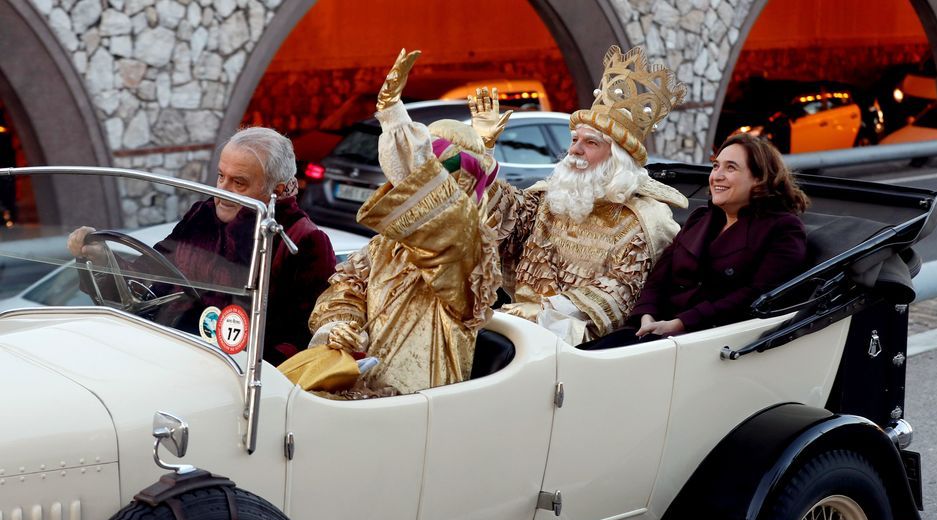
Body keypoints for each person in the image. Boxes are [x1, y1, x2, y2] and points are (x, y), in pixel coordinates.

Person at [306, 49, 502, 396]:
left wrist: (396, 121)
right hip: (357, 388)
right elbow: (347, 286)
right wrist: (342, 327)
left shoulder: (471, 250)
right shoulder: (386, 244)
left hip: (418, 405)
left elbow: (448, 226)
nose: (407, 183)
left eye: (423, 173)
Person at [68, 126, 336, 365]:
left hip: (234, 380)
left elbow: (302, 341)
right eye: (221, 177)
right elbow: (149, 279)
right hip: (164, 354)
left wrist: (243, 365)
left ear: (275, 191)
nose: (222, 191)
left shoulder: (303, 240)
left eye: (238, 183)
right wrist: (101, 259)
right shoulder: (202, 215)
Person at [478, 45, 689, 346]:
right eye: (574, 139)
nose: (574, 150)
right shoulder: (552, 198)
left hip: (580, 342)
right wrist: (484, 153)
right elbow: (505, 216)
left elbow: (619, 293)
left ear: (616, 158)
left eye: (590, 143)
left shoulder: (643, 219)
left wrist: (544, 312)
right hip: (517, 327)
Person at [583, 132, 809, 349]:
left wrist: (680, 323)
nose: (716, 176)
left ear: (759, 178)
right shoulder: (701, 218)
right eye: (715, 166)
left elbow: (756, 295)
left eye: (731, 168)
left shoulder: (783, 229)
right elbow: (659, 277)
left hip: (710, 339)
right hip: (654, 329)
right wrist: (646, 315)